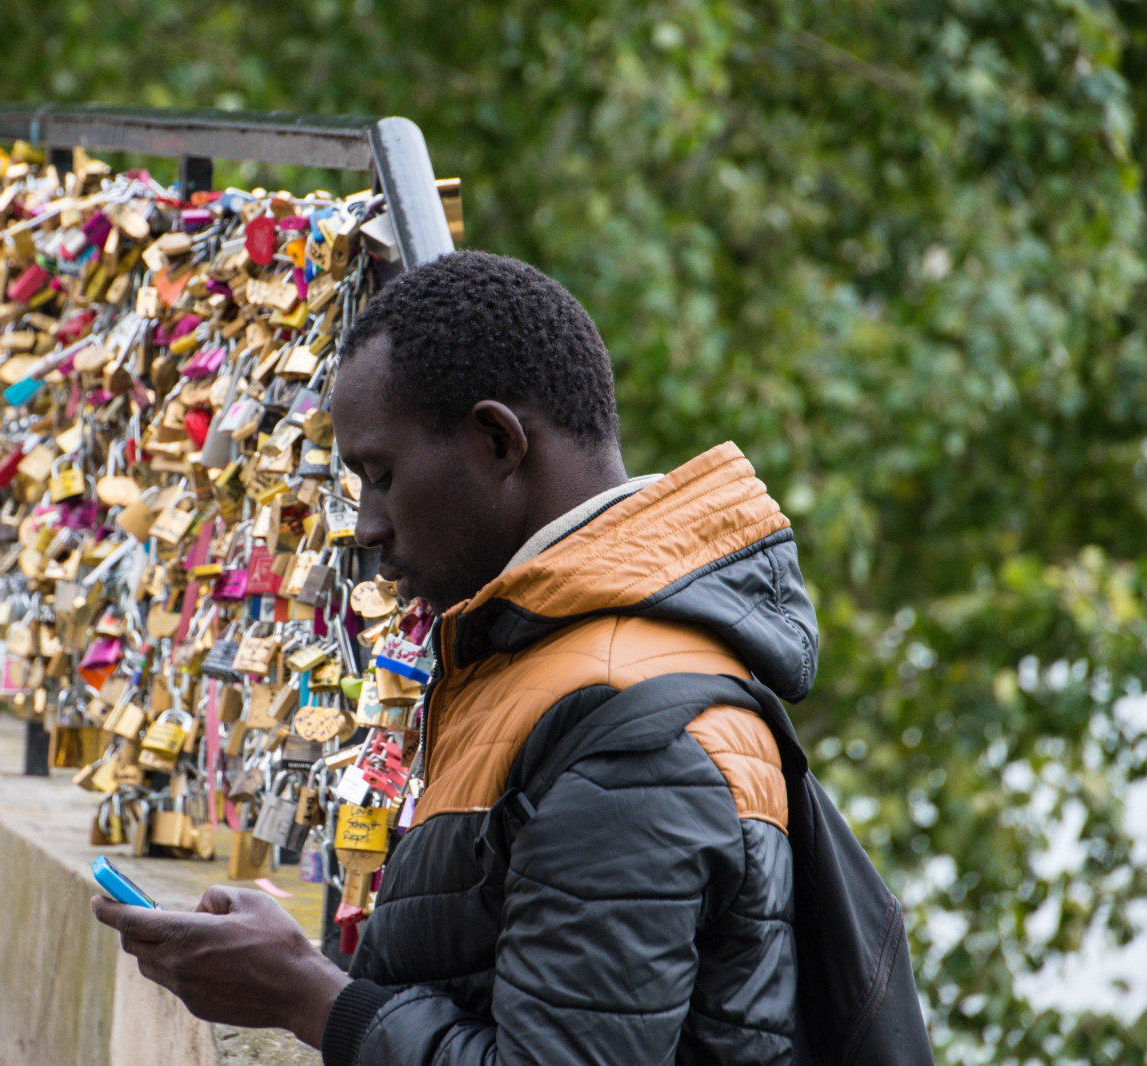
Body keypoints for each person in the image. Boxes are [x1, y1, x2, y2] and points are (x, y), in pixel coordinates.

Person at [93, 250, 817, 1065]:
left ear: (497, 442)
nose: (365, 527)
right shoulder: (536, 660)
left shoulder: (633, 733)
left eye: (382, 475)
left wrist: (309, 995)